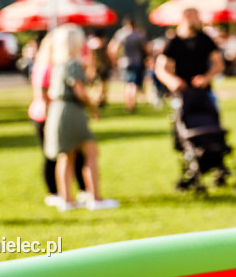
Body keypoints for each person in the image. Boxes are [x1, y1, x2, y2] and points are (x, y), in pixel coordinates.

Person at [43, 24, 119, 211]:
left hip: (58, 110)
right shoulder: (72, 64)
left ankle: (67, 200)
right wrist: (93, 105)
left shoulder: (58, 64)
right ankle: (95, 198)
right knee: (91, 152)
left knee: (66, 157)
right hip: (71, 112)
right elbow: (80, 92)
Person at [27, 33, 86, 207]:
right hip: (45, 115)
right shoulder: (46, 67)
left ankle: (75, 190)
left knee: (68, 154)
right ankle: (53, 192)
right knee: (52, 155)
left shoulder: (55, 65)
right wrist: (48, 122)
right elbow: (43, 95)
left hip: (52, 114)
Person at [154, 9, 224, 98]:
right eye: (194, 16)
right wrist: (172, 81)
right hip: (182, 92)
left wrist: (206, 78)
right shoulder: (174, 42)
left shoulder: (205, 40)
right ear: (185, 18)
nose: (197, 20)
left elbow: (219, 64)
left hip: (203, 91)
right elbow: (160, 68)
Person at [109, 17, 148, 112]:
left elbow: (113, 48)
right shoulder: (139, 34)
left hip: (123, 62)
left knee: (127, 84)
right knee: (133, 84)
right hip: (136, 62)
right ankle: (132, 105)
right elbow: (146, 48)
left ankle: (128, 104)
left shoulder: (121, 34)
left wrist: (114, 60)